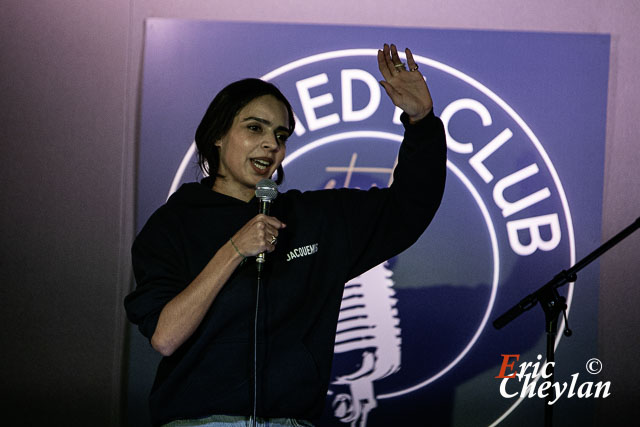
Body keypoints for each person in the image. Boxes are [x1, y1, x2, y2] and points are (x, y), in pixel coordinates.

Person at [124, 43, 447, 427]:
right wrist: (234, 250)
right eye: (254, 128)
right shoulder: (173, 225)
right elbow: (165, 336)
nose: (271, 145)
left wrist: (422, 122)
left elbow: (407, 209)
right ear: (218, 136)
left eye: (281, 135)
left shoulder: (313, 218)